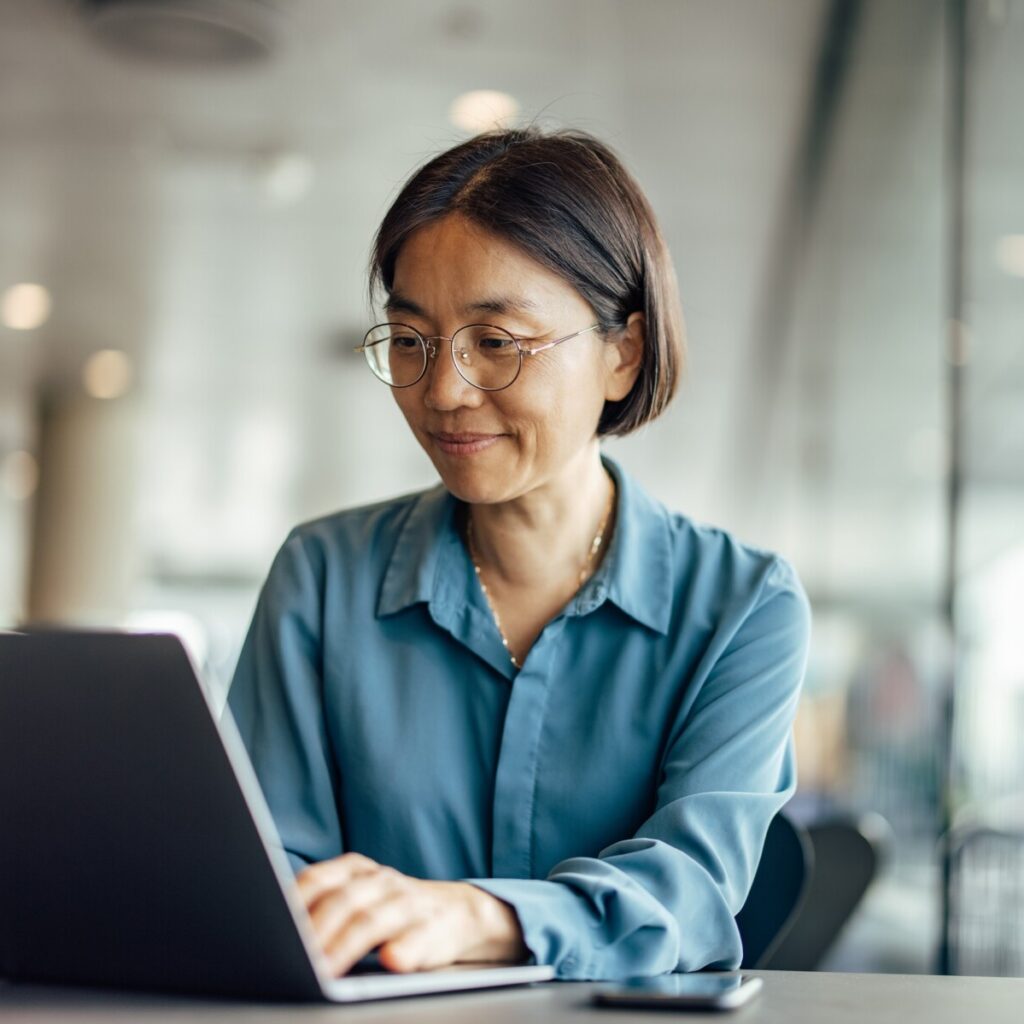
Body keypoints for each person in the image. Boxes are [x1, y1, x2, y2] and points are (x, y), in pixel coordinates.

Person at [227, 127, 811, 982]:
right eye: (412, 341)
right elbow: (267, 873)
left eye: (495, 342)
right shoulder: (323, 577)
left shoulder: (742, 605)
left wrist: (477, 914)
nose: (443, 392)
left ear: (624, 352)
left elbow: (689, 891)